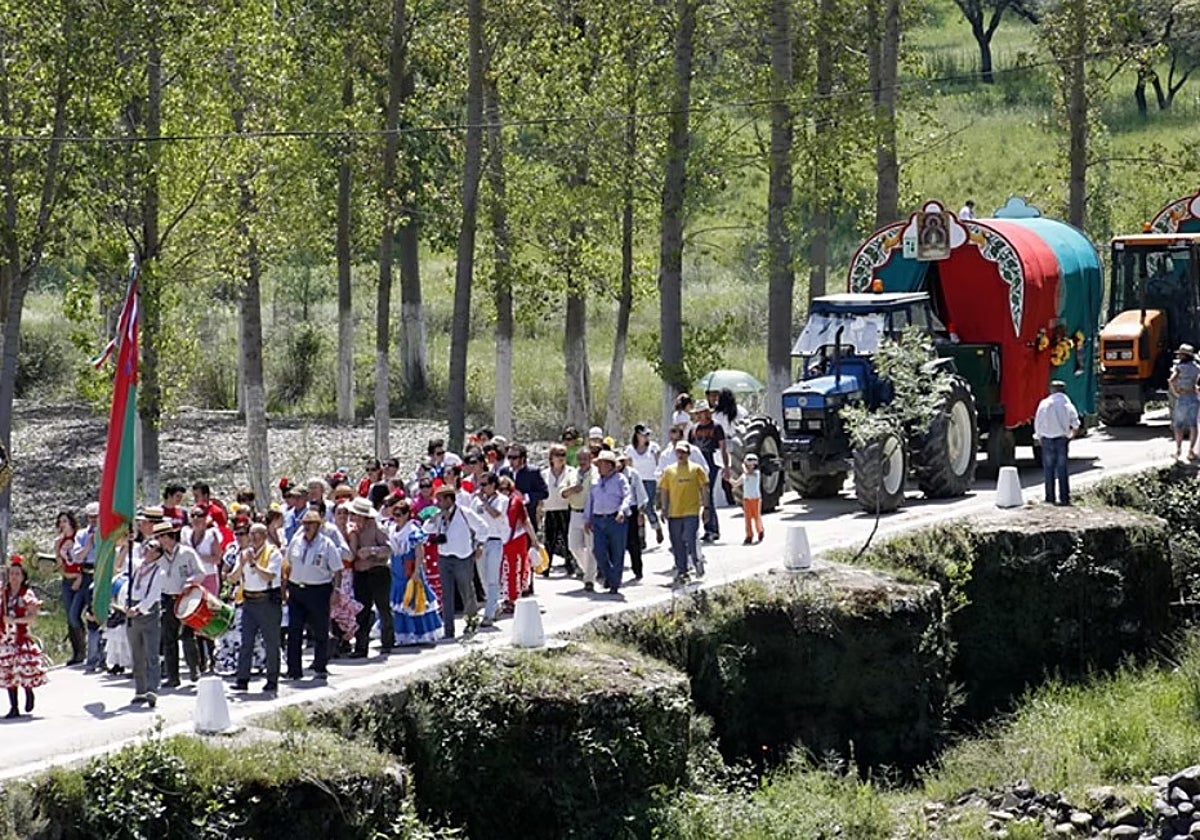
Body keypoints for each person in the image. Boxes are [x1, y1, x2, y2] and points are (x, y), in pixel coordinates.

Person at [284, 509, 342, 680]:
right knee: (294, 630)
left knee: (320, 630)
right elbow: (287, 565)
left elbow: (337, 570)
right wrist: (285, 587)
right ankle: (293, 670)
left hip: (318, 590)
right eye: (305, 523)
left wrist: (336, 591)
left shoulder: (327, 544)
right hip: (296, 590)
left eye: (310, 524)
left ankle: (320, 667)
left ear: (318, 526)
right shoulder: (295, 542)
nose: (307, 527)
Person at [424, 485, 485, 639]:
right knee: (446, 594)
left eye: (440, 500)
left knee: (467, 591)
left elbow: (483, 527)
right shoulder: (439, 515)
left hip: (463, 556)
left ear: (449, 499)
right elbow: (426, 530)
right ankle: (448, 630)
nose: (438, 503)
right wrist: (435, 518)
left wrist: (478, 544)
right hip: (444, 556)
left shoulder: (465, 512)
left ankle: (471, 623)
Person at [229, 522, 283, 693]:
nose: (252, 538)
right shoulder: (245, 554)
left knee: (271, 642)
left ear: (264, 535)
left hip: (266, 601)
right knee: (246, 641)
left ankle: (272, 679)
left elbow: (268, 576)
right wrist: (241, 563)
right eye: (250, 534)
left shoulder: (273, 553)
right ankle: (242, 678)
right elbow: (233, 577)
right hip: (249, 601)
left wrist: (253, 564)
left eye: (256, 534)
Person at [153, 520, 203, 686]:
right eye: (157, 537)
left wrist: (190, 582)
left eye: (161, 536)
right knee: (169, 638)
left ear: (169, 536)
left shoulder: (186, 553)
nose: (159, 540)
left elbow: (200, 572)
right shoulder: (158, 557)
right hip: (168, 598)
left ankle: (194, 668)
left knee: (188, 635)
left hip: (186, 597)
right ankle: (173, 676)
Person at [388, 500, 443, 645]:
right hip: (397, 568)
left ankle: (418, 634)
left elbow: (419, 552)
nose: (396, 518)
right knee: (399, 601)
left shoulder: (413, 530)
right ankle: (401, 635)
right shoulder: (392, 528)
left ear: (407, 515)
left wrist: (417, 571)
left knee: (414, 599)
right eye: (394, 515)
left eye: (399, 514)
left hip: (410, 567)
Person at [0, 557, 49, 718]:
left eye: (17, 574)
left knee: (24, 669)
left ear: (23, 577)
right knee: (8, 672)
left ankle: (28, 692)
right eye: (11, 573)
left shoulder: (26, 594)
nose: (14, 577)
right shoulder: (3, 593)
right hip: (6, 638)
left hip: (21, 637)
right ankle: (14, 707)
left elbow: (32, 616)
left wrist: (14, 620)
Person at [347, 496, 394, 658]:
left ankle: (388, 642)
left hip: (378, 571)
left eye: (355, 514)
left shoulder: (377, 528)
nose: (352, 517)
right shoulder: (352, 530)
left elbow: (388, 549)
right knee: (362, 610)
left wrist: (371, 551)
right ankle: (361, 647)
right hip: (360, 573)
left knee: (383, 607)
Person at [658, 441, 709, 585]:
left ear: (688, 454)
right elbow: (664, 490)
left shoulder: (697, 469)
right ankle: (682, 571)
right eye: (678, 452)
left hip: (691, 511)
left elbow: (704, 488)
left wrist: (706, 507)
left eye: (683, 452)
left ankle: (696, 560)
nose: (680, 455)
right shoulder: (669, 471)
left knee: (690, 537)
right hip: (674, 512)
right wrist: (663, 508)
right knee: (677, 543)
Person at [583, 450, 631, 595]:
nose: (600, 466)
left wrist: (622, 510)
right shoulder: (595, 481)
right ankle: (610, 576)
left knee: (617, 552)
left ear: (611, 465)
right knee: (598, 551)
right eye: (599, 464)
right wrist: (587, 519)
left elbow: (627, 496)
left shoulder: (620, 479)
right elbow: (590, 501)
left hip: (615, 519)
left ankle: (614, 584)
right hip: (598, 520)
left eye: (603, 463)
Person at [124, 540, 164, 707]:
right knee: (137, 654)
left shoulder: (159, 572)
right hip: (132, 612)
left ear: (157, 554)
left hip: (148, 614)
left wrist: (139, 609)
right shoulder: (138, 567)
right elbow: (128, 585)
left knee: (151, 655)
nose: (147, 550)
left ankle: (152, 689)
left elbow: (153, 595)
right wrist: (127, 604)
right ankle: (140, 690)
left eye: (151, 548)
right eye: (146, 546)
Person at [1034, 380, 1081, 506]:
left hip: (1047, 438)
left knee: (1048, 470)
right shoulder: (1067, 404)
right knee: (1062, 469)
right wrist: (1071, 436)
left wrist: (1039, 436)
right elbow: (1075, 423)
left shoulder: (1044, 403)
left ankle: (1050, 497)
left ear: (1051, 390)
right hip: (1061, 438)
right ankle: (1064, 498)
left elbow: (1038, 421)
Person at [689, 400, 729, 543]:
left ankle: (712, 528)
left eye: (702, 413)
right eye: (698, 413)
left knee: (708, 494)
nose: (700, 416)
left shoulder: (716, 427)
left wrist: (726, 466)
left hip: (711, 465)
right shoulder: (693, 430)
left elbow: (723, 448)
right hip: (696, 466)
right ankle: (707, 528)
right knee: (700, 497)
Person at [472, 473, 509, 625]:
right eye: (480, 484)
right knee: (483, 578)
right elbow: (473, 520)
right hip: (480, 541)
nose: (482, 488)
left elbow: (496, 515)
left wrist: (485, 503)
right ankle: (494, 604)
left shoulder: (502, 500)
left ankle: (489, 615)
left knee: (493, 577)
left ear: (493, 485)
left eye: (485, 484)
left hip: (495, 540)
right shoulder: (475, 501)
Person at [539, 444, 578, 577]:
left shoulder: (571, 471)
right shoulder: (544, 473)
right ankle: (546, 567)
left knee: (567, 538)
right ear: (551, 457)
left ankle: (570, 565)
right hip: (550, 510)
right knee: (549, 540)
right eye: (557, 455)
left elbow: (573, 487)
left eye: (563, 455)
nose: (561, 458)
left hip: (565, 509)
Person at [563, 448, 597, 591]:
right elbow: (563, 493)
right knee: (574, 546)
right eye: (580, 459)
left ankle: (589, 579)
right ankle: (589, 570)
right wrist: (572, 489)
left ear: (590, 459)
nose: (582, 462)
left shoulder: (595, 473)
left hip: (590, 512)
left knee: (590, 547)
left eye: (585, 459)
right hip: (575, 512)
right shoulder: (571, 474)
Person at [54, 509, 85, 665]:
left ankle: (84, 648)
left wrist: (79, 576)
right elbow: (59, 564)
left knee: (75, 614)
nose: (62, 525)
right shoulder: (58, 542)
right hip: (68, 579)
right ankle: (76, 652)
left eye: (65, 521)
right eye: (60, 522)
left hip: (81, 579)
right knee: (69, 616)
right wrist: (66, 574)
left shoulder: (79, 538)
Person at [625, 425, 663, 546]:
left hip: (650, 480)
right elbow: (629, 466)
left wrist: (660, 480)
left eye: (647, 435)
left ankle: (656, 526)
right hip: (637, 481)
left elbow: (659, 463)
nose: (646, 437)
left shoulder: (653, 447)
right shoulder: (630, 450)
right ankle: (641, 537)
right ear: (637, 435)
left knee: (648, 507)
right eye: (644, 435)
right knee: (638, 509)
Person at [1169, 343, 1200, 460]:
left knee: (1178, 425)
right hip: (1194, 397)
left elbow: (1172, 380)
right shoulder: (1197, 368)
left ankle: (1178, 450)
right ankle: (1191, 450)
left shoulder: (1179, 367)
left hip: (1182, 397)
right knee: (1193, 425)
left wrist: (1175, 391)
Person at [732, 453, 765, 544]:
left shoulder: (756, 473)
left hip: (756, 499)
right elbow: (735, 483)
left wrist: (743, 467)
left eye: (752, 464)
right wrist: (728, 479)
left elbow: (749, 473)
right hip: (746, 499)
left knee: (756, 517)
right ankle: (749, 535)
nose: (751, 466)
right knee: (747, 519)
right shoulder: (744, 475)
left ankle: (760, 530)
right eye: (749, 463)